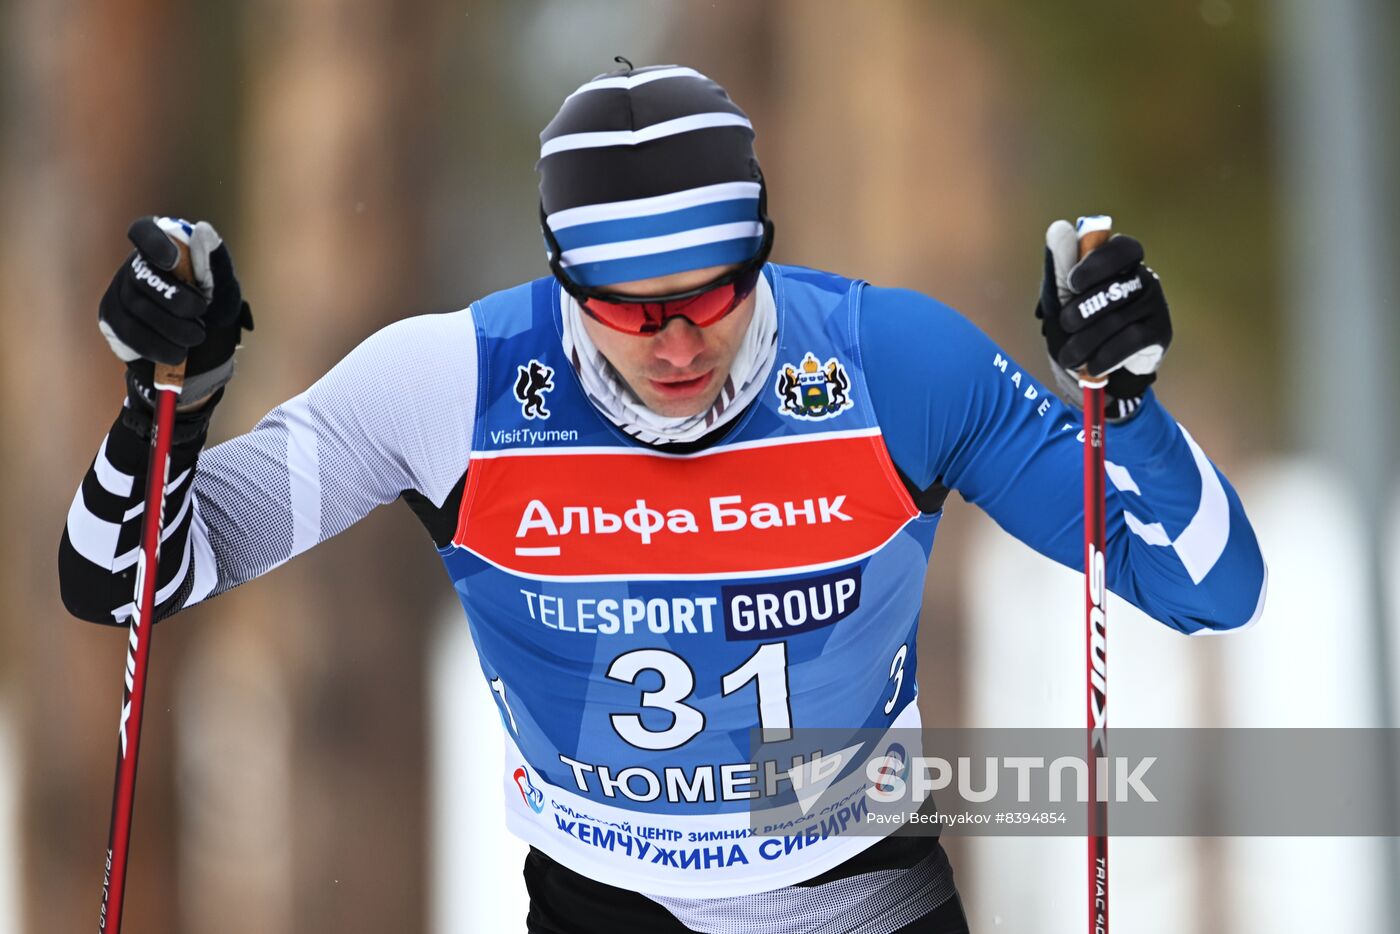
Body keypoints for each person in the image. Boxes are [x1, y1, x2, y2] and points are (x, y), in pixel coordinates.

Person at [59, 62, 1266, 933]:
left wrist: (1128, 408)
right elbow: (123, 579)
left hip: (863, 894)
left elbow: (1207, 586)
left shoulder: (892, 365)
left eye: (711, 294)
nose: (677, 342)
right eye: (630, 308)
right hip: (604, 902)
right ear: (561, 278)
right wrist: (172, 403)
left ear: (760, 255)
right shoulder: (451, 381)